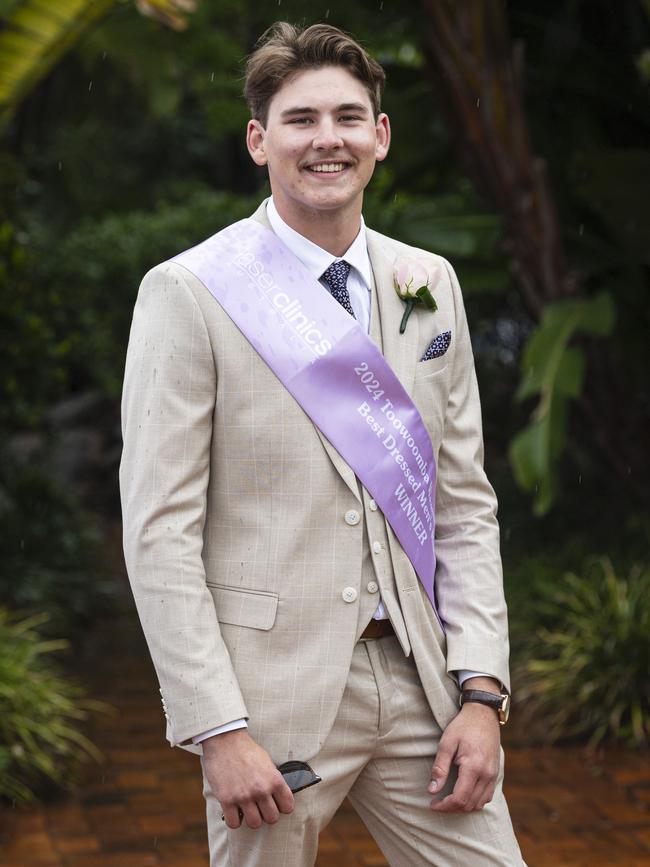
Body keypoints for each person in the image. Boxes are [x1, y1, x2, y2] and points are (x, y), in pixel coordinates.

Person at [119, 21, 526, 867]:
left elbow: (462, 500)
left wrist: (482, 690)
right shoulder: (191, 293)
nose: (326, 139)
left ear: (379, 135)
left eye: (347, 116)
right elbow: (159, 532)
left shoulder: (427, 282)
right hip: (268, 701)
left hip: (422, 682)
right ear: (259, 140)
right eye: (300, 119)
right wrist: (215, 727)